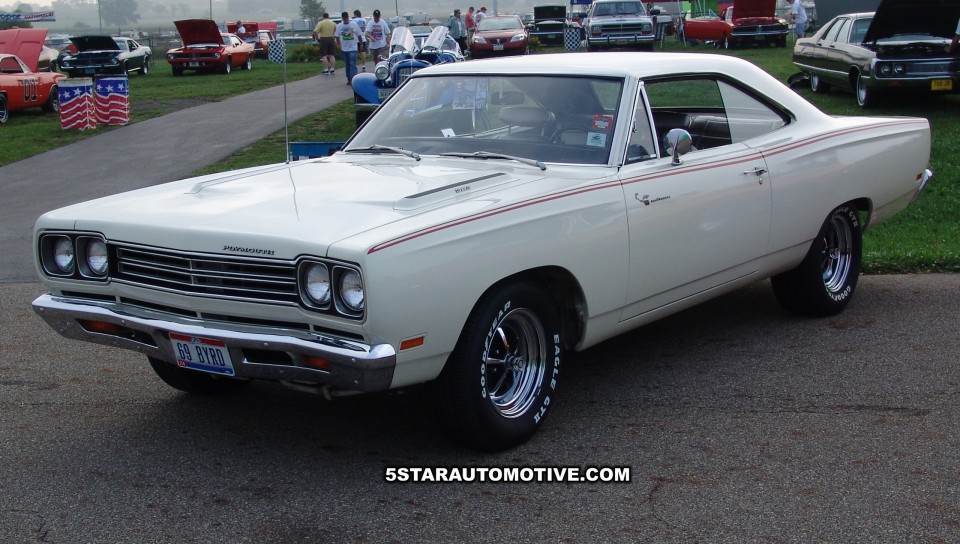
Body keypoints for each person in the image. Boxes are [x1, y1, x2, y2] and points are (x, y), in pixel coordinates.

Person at [335, 11, 363, 84]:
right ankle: (349, 78)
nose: (346, 19)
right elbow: (337, 36)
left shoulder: (354, 24)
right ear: (342, 18)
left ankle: (353, 79)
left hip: (353, 48)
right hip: (344, 49)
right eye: (344, 18)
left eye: (346, 18)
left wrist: (361, 44)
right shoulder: (339, 26)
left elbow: (359, 35)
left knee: (352, 64)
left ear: (348, 17)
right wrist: (338, 44)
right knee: (347, 65)